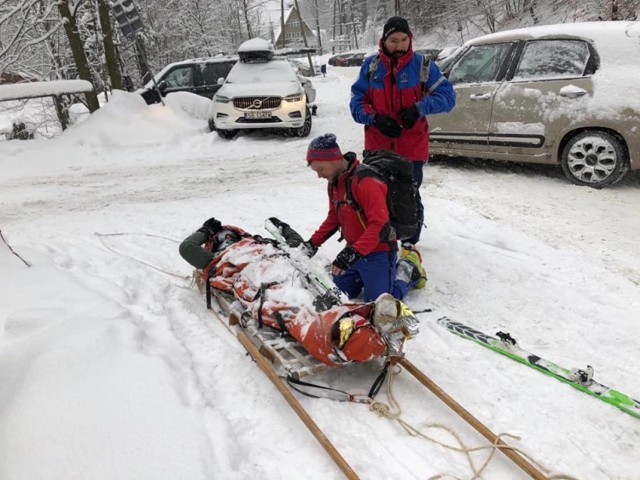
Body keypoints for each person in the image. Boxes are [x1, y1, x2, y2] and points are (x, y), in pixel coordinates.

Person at [179, 216, 420, 367]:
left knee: (323, 297)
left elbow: (297, 246)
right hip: (262, 282)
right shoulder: (219, 261)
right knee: (293, 310)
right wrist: (204, 231)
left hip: (287, 267)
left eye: (230, 235)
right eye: (223, 238)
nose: (228, 239)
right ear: (216, 245)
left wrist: (283, 228)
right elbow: (187, 249)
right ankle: (352, 336)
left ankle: (370, 319)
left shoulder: (265, 243)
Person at [349, 16, 456, 248]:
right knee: (374, 197)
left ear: (410, 39)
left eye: (404, 39)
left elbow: (448, 98)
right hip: (377, 148)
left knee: (408, 197)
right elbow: (356, 104)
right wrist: (374, 118)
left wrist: (419, 109)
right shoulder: (371, 67)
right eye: (393, 40)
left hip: (411, 149)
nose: (399, 46)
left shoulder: (423, 66)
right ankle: (379, 242)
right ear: (383, 41)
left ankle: (409, 245)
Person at [303, 133, 426, 303]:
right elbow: (334, 217)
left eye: (321, 169)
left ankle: (408, 269)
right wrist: (311, 244)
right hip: (355, 250)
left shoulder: (366, 181)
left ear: (334, 160)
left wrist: (353, 253)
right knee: (338, 294)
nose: (319, 176)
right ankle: (363, 277)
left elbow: (380, 225)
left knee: (379, 302)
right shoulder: (335, 182)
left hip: (379, 252)